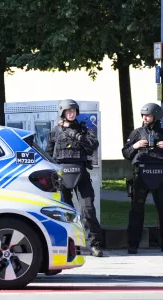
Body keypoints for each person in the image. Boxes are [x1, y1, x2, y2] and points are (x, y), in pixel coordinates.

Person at [46, 99, 104, 257]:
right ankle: (69, 245)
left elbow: (93, 144)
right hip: (61, 175)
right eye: (68, 112)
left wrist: (76, 135)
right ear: (63, 113)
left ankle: (95, 244)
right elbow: (48, 153)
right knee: (65, 211)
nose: (71, 114)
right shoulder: (55, 131)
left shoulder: (83, 129)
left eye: (73, 111)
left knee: (88, 210)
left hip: (81, 173)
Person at [122, 103, 163, 254]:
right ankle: (133, 245)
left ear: (156, 116)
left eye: (148, 115)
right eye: (143, 115)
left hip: (160, 175)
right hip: (141, 175)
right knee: (136, 211)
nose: (145, 118)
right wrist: (136, 146)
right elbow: (126, 153)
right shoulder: (136, 133)